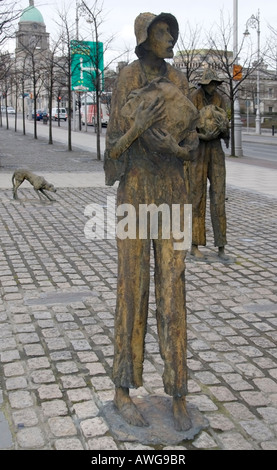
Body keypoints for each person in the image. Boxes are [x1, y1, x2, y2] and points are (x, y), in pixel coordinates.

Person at [104, 12, 199, 432]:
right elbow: (111, 155)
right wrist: (137, 128)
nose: (171, 37)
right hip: (136, 195)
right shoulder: (126, 78)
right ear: (145, 38)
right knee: (132, 288)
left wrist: (176, 149)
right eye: (163, 31)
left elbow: (195, 142)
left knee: (172, 289)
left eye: (172, 31)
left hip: (172, 194)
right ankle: (123, 390)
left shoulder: (179, 81)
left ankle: (178, 391)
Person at [189, 69, 230, 261]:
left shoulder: (220, 99)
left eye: (215, 83)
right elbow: (185, 129)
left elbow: (224, 124)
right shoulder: (194, 98)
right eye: (210, 83)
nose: (213, 87)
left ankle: (221, 245)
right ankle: (194, 244)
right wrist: (201, 135)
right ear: (204, 84)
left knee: (218, 196)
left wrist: (223, 129)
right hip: (198, 150)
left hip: (215, 150)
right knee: (196, 196)